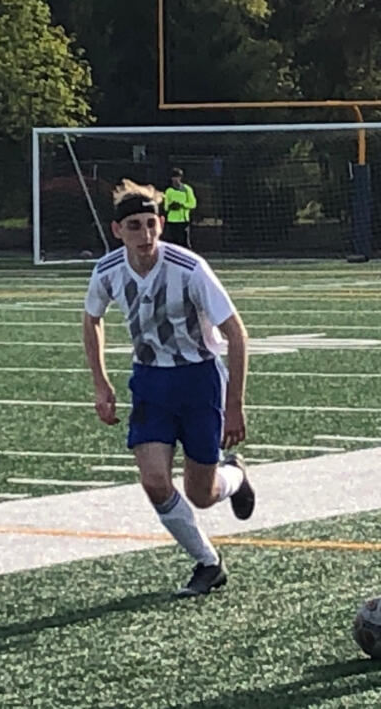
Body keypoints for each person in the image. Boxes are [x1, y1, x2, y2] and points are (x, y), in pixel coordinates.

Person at [83, 180, 253, 596]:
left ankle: (235, 477)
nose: (145, 235)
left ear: (161, 224)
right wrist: (101, 383)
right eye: (135, 226)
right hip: (150, 382)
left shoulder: (189, 268)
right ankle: (208, 563)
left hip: (199, 380)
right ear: (117, 230)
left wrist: (235, 405)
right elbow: (92, 319)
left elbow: (236, 333)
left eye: (151, 224)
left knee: (202, 493)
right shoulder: (107, 271)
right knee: (155, 481)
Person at [163, 167, 197, 248]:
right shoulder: (169, 191)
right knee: (174, 244)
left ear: (181, 178)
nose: (175, 179)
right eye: (174, 177)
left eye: (177, 177)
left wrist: (182, 205)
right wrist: (171, 206)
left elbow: (193, 204)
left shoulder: (187, 189)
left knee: (185, 243)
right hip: (172, 221)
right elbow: (166, 207)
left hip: (183, 221)